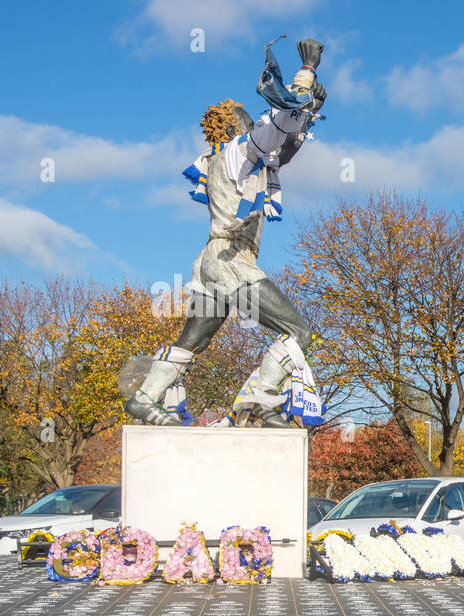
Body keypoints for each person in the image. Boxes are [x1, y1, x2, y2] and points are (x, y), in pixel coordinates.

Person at [123, 37, 327, 429]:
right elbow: (280, 121)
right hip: (233, 260)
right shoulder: (238, 152)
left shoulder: (234, 162)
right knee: (299, 331)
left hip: (213, 262)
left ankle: (145, 398)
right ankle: (259, 399)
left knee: (193, 341)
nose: (256, 122)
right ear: (237, 126)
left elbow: (283, 147)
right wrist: (308, 71)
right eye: (250, 119)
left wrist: (311, 108)